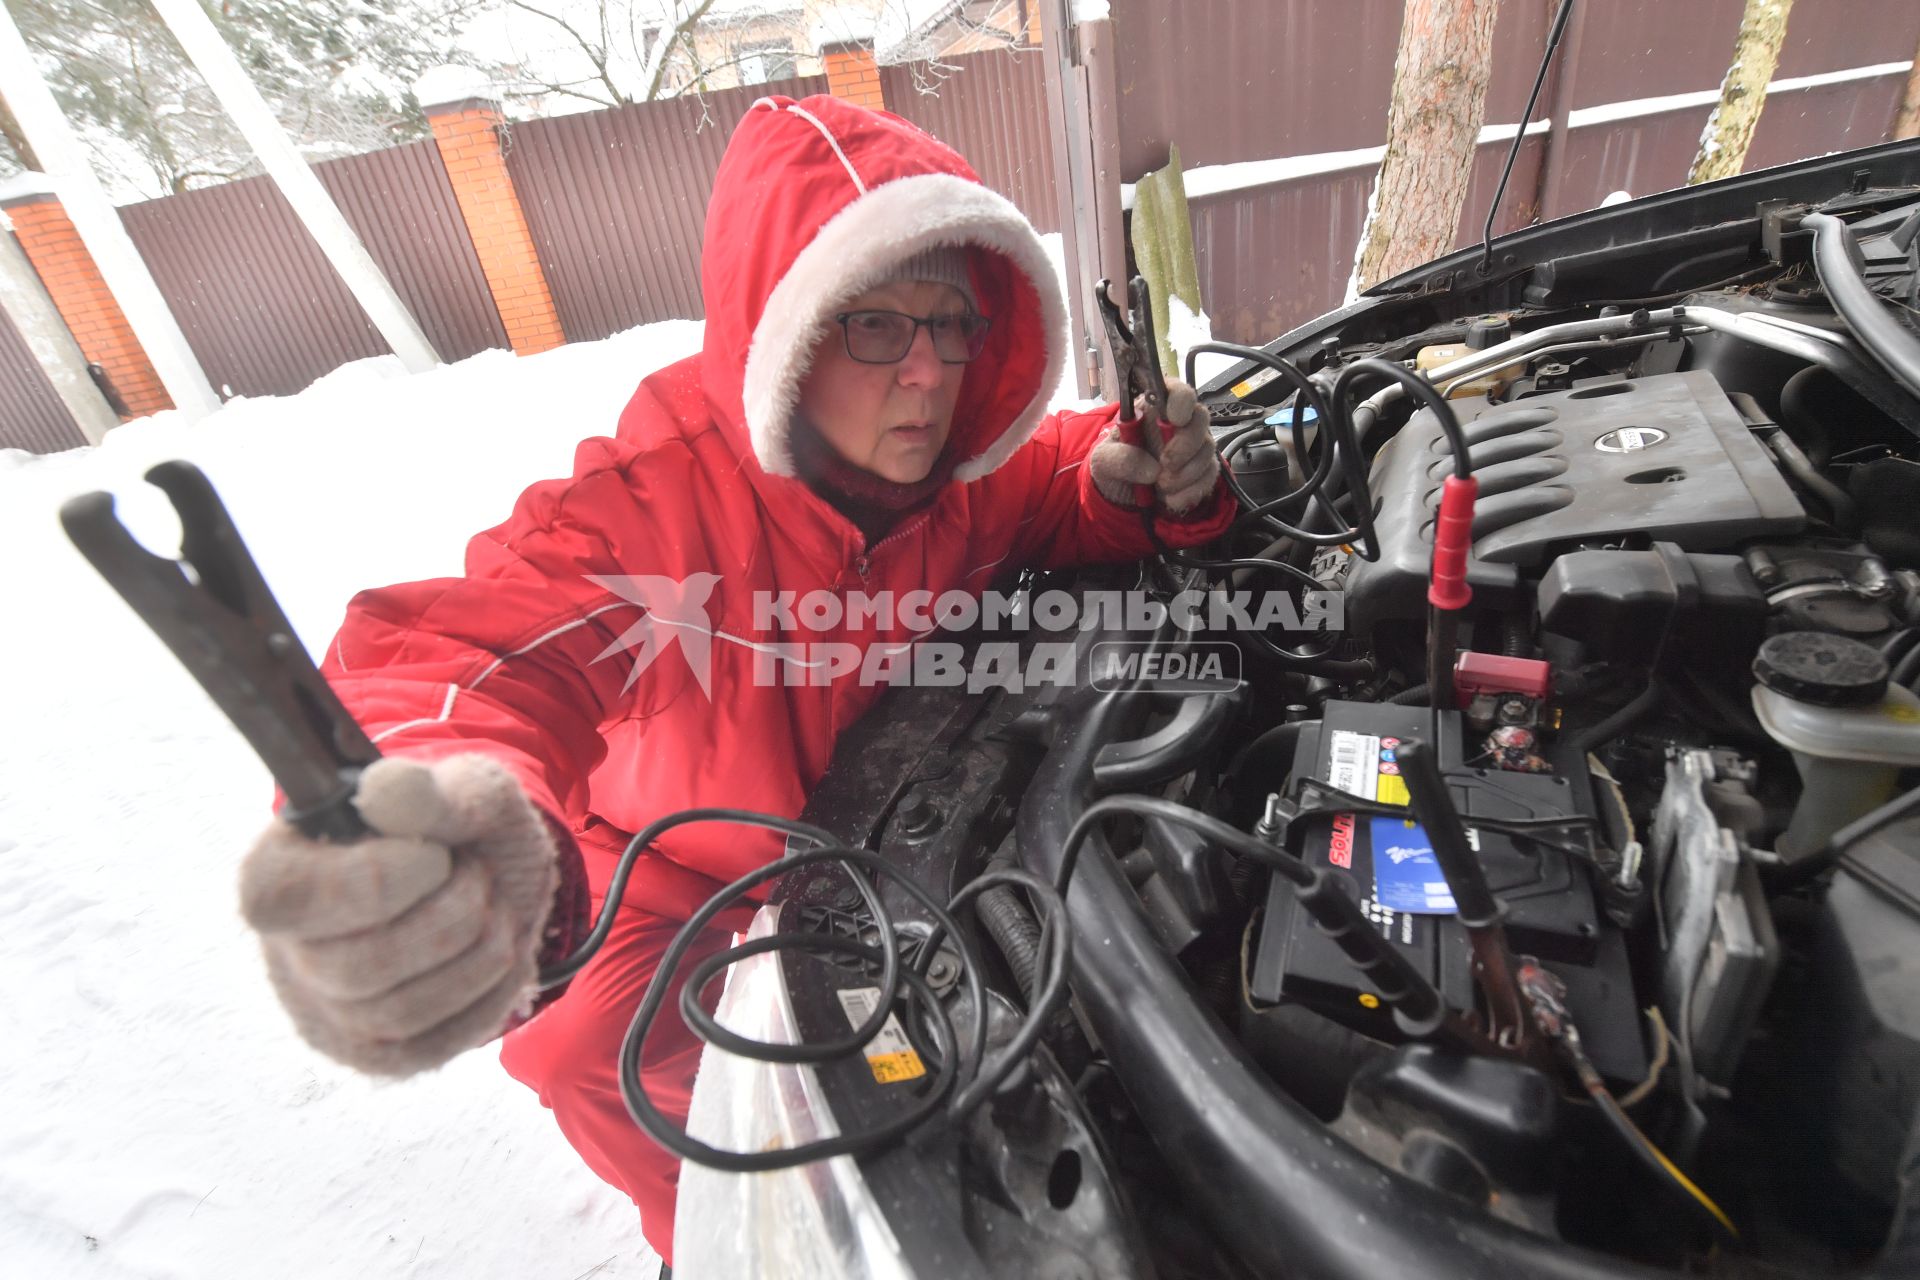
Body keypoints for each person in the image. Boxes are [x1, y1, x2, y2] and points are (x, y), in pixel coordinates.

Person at [235, 93, 1234, 1268]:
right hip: (678, 865)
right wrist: (432, 818)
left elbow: (1059, 475)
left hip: (895, 842)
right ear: (790, 329)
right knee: (581, 1044)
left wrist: (1128, 488)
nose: (926, 375)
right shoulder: (659, 510)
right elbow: (469, 655)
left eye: (951, 325)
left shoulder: (962, 476)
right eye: (875, 326)